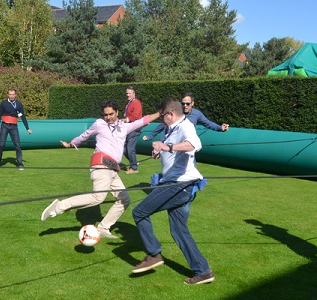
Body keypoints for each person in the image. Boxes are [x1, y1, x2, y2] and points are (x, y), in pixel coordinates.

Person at [41, 100, 160, 239]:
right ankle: (59, 206)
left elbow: (143, 120)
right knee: (98, 197)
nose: (108, 117)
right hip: (101, 165)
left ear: (116, 112)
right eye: (105, 115)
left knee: (124, 199)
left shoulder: (124, 127)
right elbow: (85, 135)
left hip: (113, 170)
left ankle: (103, 228)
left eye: (111, 114)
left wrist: (160, 113)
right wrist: (71, 144)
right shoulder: (99, 124)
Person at [131, 97, 214, 285]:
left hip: (179, 185)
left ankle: (153, 255)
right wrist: (161, 151)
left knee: (139, 212)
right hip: (179, 184)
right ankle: (203, 272)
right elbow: (172, 150)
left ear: (170, 114)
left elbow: (194, 145)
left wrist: (166, 146)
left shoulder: (185, 126)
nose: (161, 120)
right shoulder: (171, 128)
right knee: (179, 230)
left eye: (163, 117)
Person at [143, 92, 229, 141]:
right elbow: (163, 124)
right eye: (183, 103)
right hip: (174, 143)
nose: (185, 106)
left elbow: (208, 123)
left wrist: (220, 128)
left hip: (188, 144)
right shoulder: (176, 112)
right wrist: (151, 136)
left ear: (192, 103)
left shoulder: (197, 114)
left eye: (187, 104)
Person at [0, 89, 32, 170]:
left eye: (13, 94)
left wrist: (27, 128)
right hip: (4, 126)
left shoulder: (19, 104)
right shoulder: (3, 103)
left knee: (17, 145)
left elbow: (23, 116)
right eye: (10, 94)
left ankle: (20, 164)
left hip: (14, 127)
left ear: (15, 95)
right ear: (8, 95)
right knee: (1, 145)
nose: (11, 96)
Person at [122, 86, 143, 174]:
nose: (128, 95)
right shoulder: (129, 103)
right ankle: (134, 161)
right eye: (127, 93)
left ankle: (134, 168)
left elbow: (134, 116)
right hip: (129, 128)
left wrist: (125, 120)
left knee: (130, 149)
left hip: (135, 129)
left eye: (129, 93)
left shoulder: (136, 103)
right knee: (123, 149)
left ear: (134, 94)